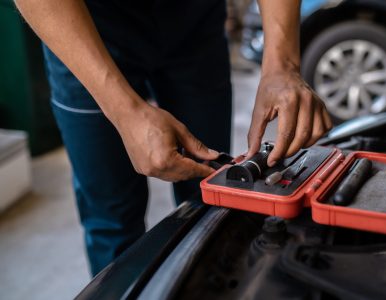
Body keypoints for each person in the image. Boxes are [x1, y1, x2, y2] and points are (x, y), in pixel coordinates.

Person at [14, 0, 333, 276]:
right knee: (111, 222)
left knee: (209, 199)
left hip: (194, 22)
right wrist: (125, 112)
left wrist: (282, 65)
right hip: (87, 28)